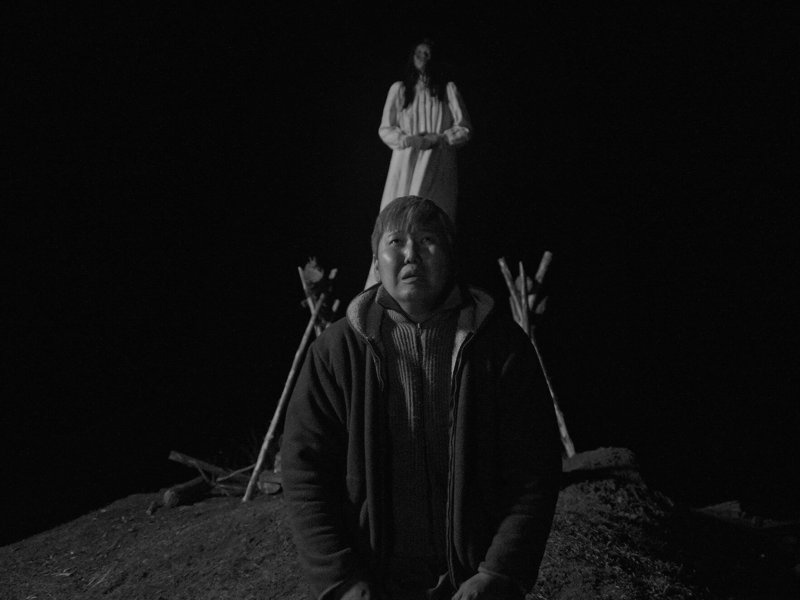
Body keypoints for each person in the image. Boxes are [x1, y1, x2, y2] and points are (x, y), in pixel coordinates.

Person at [282, 196, 561, 600]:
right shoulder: (337, 352)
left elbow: (534, 467)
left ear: (450, 254)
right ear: (376, 262)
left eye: (427, 240)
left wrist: (500, 570)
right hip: (370, 582)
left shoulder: (501, 347)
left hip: (475, 582)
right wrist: (341, 579)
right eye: (395, 242)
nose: (411, 254)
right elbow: (304, 470)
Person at [365, 40, 472, 289]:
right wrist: (409, 140)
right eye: (420, 53)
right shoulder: (401, 90)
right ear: (413, 57)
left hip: (437, 163)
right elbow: (385, 128)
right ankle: (385, 286)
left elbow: (464, 128)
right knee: (397, 221)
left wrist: (439, 138)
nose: (425, 58)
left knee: (432, 223)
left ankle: (434, 285)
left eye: (429, 54)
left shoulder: (447, 90)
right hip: (406, 165)